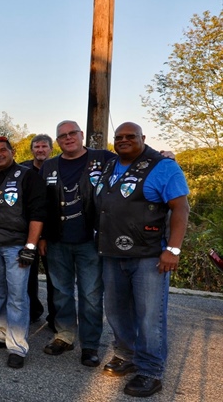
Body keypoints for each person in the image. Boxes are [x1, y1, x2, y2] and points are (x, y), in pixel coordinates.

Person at [95, 122, 189, 398]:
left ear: (143, 138)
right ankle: (127, 355)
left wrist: (173, 250)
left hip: (149, 255)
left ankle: (151, 371)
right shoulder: (110, 166)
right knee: (116, 310)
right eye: (119, 137)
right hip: (112, 253)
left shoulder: (163, 166)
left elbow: (181, 208)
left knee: (150, 316)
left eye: (130, 136)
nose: (123, 140)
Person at [39, 122, 114, 367]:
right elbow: (40, 204)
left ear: (82, 135)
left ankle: (90, 345)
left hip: (90, 241)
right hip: (57, 240)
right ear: (57, 141)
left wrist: (163, 157)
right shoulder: (49, 166)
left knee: (91, 294)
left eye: (73, 133)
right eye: (62, 135)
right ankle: (65, 336)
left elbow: (132, 167)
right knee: (61, 292)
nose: (68, 138)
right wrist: (41, 236)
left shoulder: (104, 159)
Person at [0, 136, 46, 369]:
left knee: (17, 295)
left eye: (2, 150)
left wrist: (30, 246)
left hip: (16, 243)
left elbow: (37, 213)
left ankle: (17, 346)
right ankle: (1, 333)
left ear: (12, 151)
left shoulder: (27, 176)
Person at [19, 134, 55, 326]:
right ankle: (32, 311)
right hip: (28, 231)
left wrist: (45, 235)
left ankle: (55, 318)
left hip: (53, 231)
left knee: (54, 279)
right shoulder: (23, 170)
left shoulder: (58, 168)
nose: (40, 150)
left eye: (44, 146)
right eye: (37, 147)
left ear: (51, 149)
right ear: (31, 149)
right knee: (27, 276)